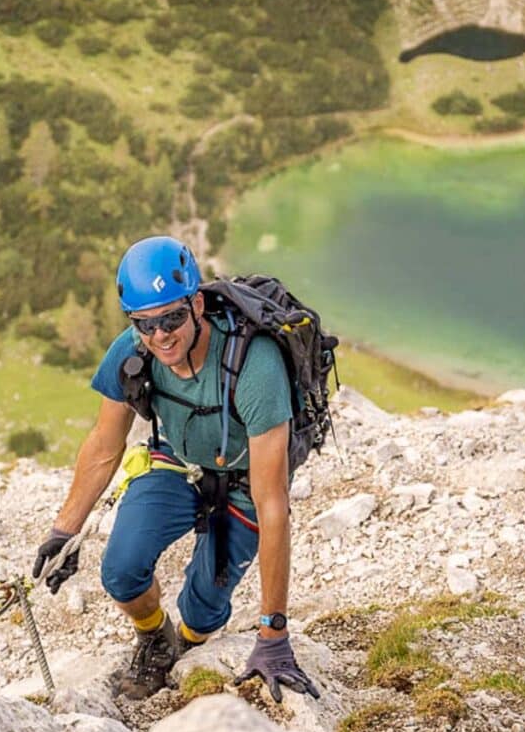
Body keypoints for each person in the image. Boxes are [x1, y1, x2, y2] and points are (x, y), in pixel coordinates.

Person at [33, 235, 320, 703]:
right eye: (145, 323)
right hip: (177, 462)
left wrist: (273, 635)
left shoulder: (254, 366)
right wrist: (64, 531)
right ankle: (155, 639)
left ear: (197, 305)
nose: (160, 335)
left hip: (246, 482)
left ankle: (190, 642)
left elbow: (272, 505)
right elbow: (104, 444)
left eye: (171, 318)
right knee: (122, 571)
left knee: (205, 607)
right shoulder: (133, 351)